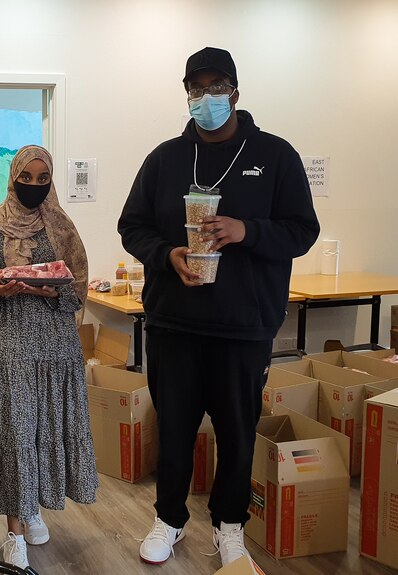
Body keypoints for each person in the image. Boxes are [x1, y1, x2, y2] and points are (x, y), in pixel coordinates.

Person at [118, 47, 320, 569]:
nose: (204, 98)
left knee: (236, 434)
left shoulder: (275, 156)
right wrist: (167, 254)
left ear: (234, 91)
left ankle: (230, 527)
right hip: (173, 322)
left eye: (215, 87)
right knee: (175, 432)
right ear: (186, 95)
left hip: (243, 326)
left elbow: (303, 230)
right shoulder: (164, 159)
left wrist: (246, 231)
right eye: (195, 89)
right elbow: (131, 226)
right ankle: (169, 520)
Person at [0, 145, 97, 569]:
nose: (35, 186)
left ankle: (33, 507)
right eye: (28, 178)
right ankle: (14, 535)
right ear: (13, 177)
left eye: (43, 179)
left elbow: (78, 285)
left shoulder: (60, 225)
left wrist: (53, 289)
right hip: (10, 345)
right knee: (17, 433)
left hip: (56, 346)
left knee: (44, 430)